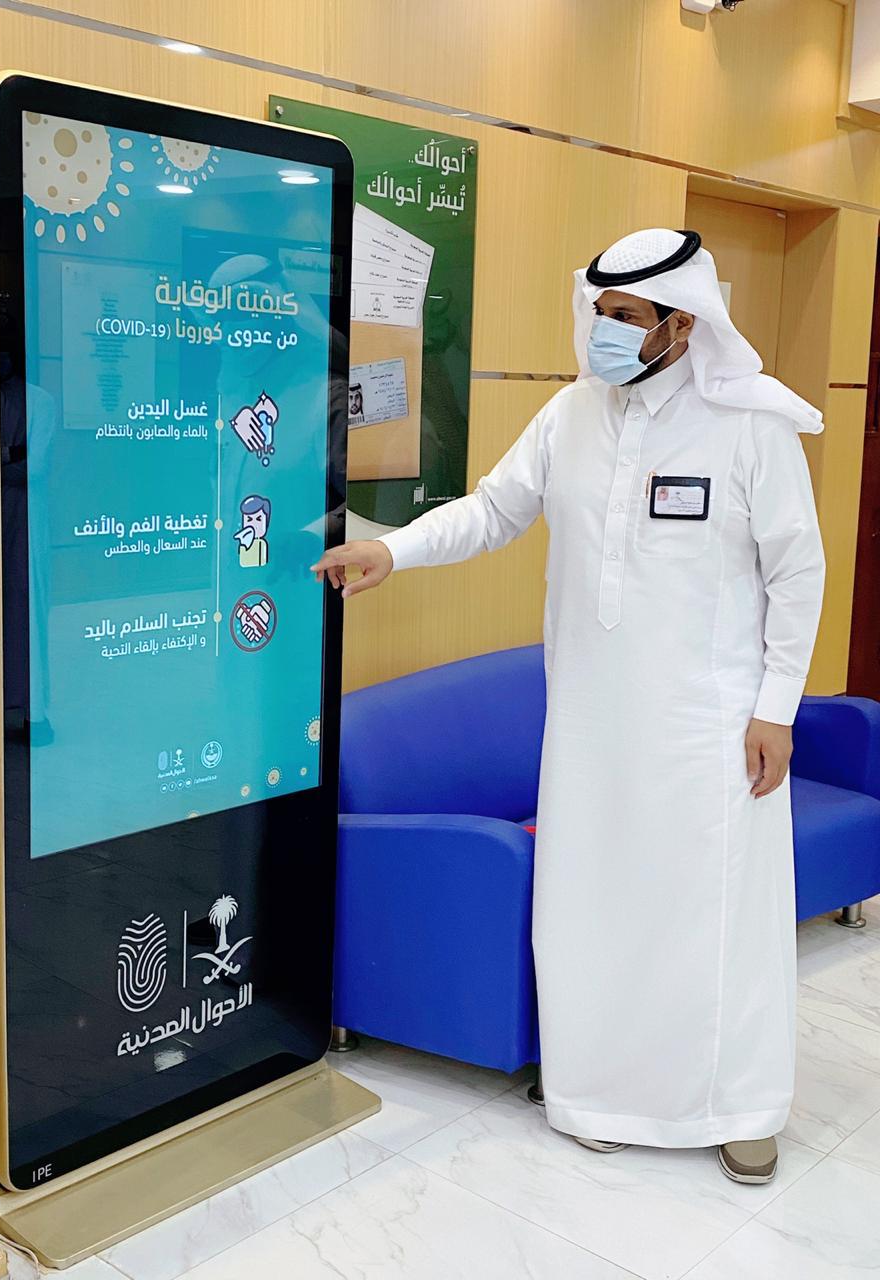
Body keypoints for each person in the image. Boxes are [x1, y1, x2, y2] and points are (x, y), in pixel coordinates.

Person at [311, 228, 826, 1185]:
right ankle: (604, 1095)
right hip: (591, 723)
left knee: (717, 919)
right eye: (600, 312)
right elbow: (491, 511)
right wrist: (393, 550)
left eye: (626, 316)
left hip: (709, 728)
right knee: (597, 910)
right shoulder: (570, 415)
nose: (605, 330)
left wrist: (776, 708)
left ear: (681, 323)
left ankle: (739, 1108)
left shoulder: (751, 426)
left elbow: (798, 573)